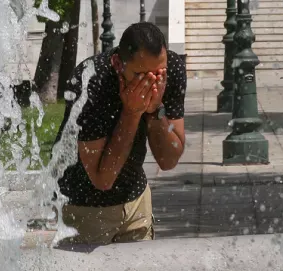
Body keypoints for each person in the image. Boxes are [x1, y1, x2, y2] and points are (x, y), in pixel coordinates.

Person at [57, 22, 187, 245]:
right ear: (118, 64)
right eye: (140, 75)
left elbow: (169, 159)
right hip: (86, 208)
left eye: (157, 74)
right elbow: (102, 178)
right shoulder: (90, 82)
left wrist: (155, 110)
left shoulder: (171, 69)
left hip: (136, 201)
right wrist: (132, 112)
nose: (152, 83)